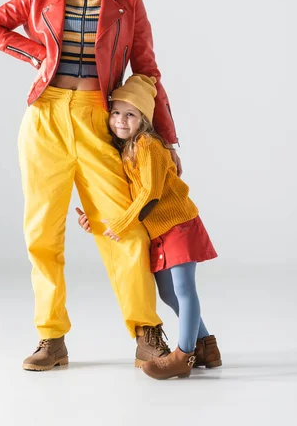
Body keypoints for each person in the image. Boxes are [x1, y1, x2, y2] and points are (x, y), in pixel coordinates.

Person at [0, 0, 180, 371]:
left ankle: (147, 332)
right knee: (42, 233)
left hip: (95, 117)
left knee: (121, 225)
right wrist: (38, 56)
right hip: (44, 118)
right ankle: (51, 338)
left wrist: (164, 139)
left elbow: (147, 71)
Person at [77, 74, 221, 379]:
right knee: (169, 293)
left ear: (143, 118)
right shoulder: (125, 150)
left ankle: (183, 355)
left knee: (183, 289)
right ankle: (206, 346)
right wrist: (99, 219)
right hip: (159, 231)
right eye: (116, 112)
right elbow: (125, 198)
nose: (120, 120)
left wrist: (121, 222)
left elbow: (151, 193)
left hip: (178, 224)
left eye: (130, 114)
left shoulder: (147, 144)